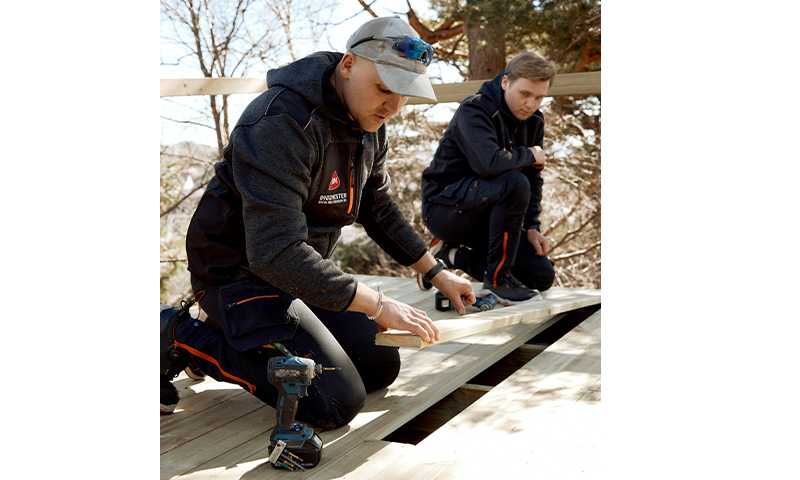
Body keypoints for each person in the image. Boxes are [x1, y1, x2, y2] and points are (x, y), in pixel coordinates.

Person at [160, 15, 476, 430]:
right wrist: (377, 303)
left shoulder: (369, 125)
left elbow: (376, 207)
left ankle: (241, 335)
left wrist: (436, 274)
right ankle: (180, 332)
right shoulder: (281, 122)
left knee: (378, 365)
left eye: (405, 94)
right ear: (347, 65)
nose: (394, 107)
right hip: (237, 274)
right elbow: (275, 252)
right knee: (332, 402)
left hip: (297, 276)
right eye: (384, 88)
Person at [419, 51, 557, 305]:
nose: (531, 104)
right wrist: (529, 153)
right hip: (444, 210)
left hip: (491, 214)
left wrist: (533, 227)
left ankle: (450, 256)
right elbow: (490, 165)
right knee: (514, 183)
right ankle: (496, 281)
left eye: (539, 97)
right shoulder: (475, 109)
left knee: (541, 276)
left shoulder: (534, 121)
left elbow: (533, 177)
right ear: (506, 82)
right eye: (525, 94)